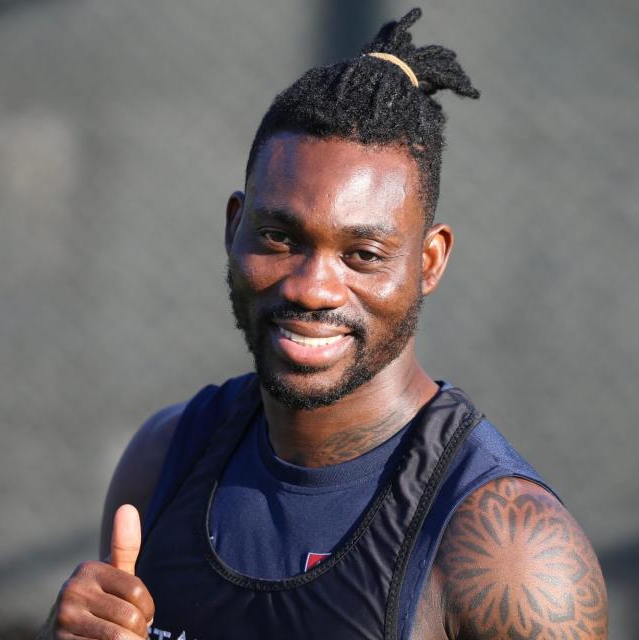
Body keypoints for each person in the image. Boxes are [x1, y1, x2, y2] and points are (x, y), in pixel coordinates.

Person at [40, 8, 608, 640]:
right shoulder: (164, 458)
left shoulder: (515, 558)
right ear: (235, 227)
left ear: (428, 262)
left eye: (362, 255)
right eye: (280, 237)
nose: (313, 287)